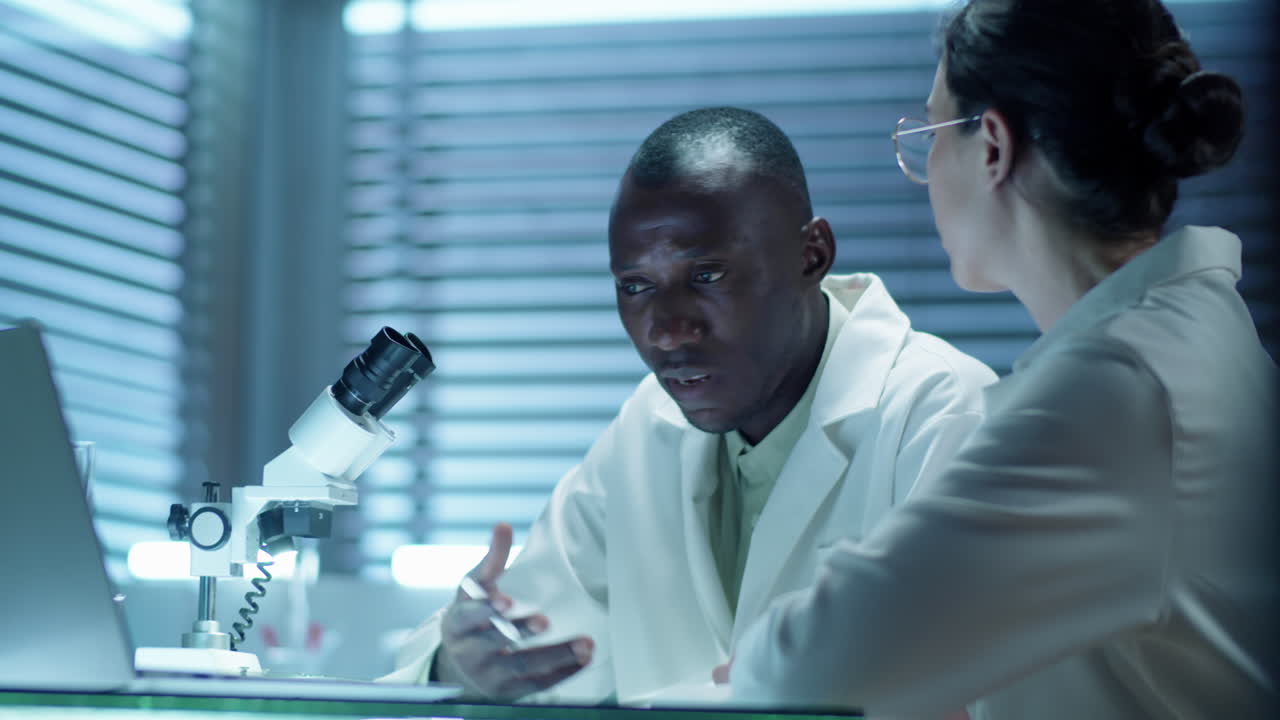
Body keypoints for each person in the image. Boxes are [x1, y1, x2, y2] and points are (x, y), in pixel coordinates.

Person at [725, 1, 1278, 718]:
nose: (922, 167)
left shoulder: (1118, 389)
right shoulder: (1189, 338)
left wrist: (770, 651)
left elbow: (805, 664)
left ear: (991, 146)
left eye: (928, 132)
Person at [381, 107, 997, 703]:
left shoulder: (942, 415)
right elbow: (534, 645)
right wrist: (461, 665)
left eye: (707, 275)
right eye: (636, 287)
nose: (667, 330)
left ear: (811, 255)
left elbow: (990, 696)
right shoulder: (646, 432)